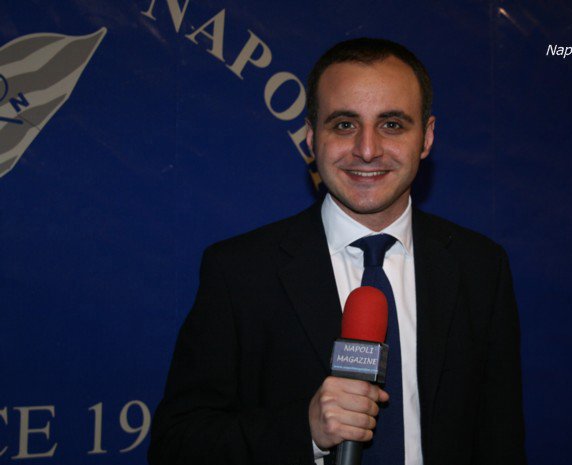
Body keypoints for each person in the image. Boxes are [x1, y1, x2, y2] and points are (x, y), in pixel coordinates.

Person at [148, 38, 526, 465]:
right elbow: (177, 445)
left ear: (427, 137)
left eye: (392, 124)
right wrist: (305, 430)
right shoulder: (240, 272)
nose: (367, 150)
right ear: (312, 137)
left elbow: (501, 440)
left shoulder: (480, 267)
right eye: (344, 124)